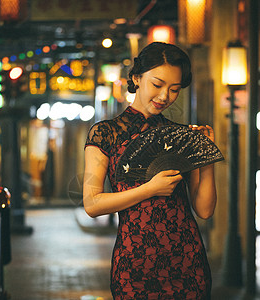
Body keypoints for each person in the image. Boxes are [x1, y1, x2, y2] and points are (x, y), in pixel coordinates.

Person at [83, 42, 218, 299]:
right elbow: (92, 204)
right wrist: (149, 189)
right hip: (135, 265)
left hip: (187, 263)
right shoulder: (106, 133)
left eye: (174, 89)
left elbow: (204, 210)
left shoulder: (179, 136)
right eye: (157, 85)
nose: (165, 96)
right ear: (136, 78)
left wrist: (207, 157)